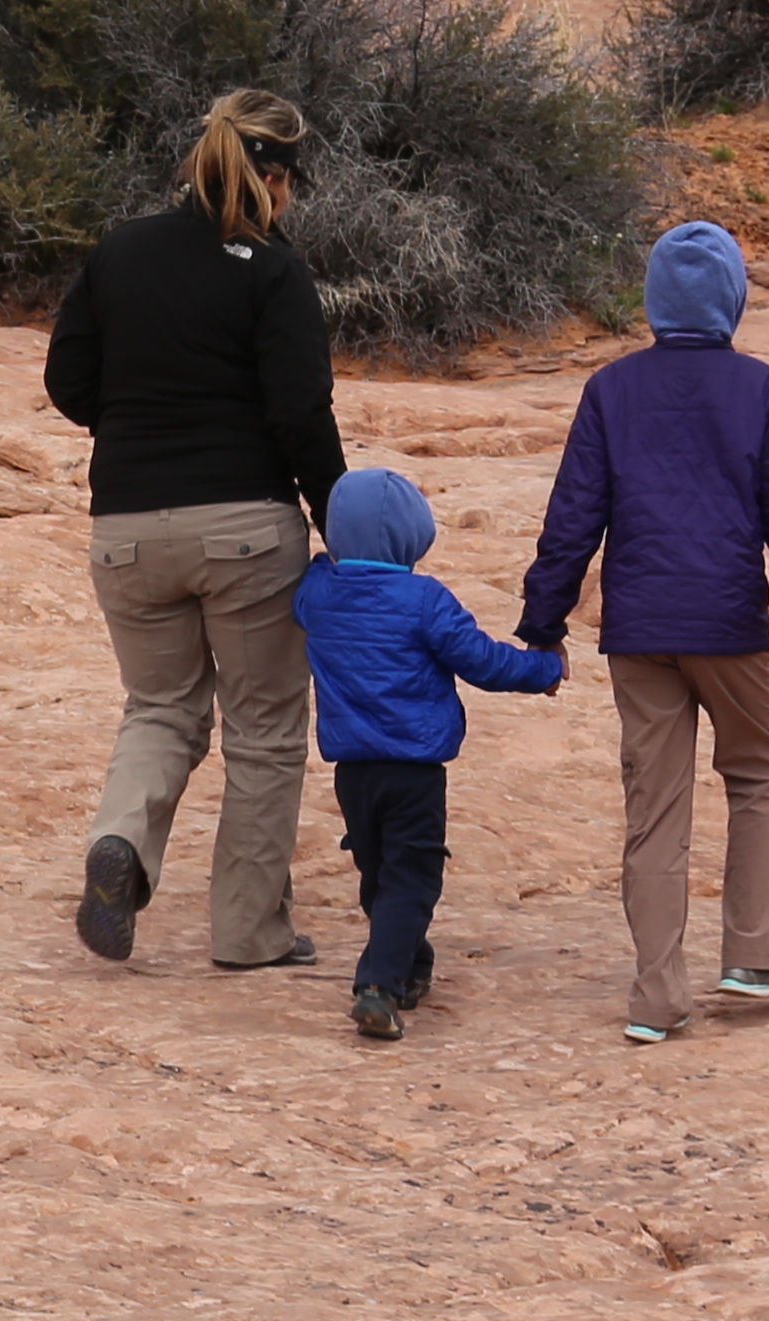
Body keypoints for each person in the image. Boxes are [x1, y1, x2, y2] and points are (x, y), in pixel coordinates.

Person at [512, 221, 769, 1045]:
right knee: (755, 773)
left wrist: (542, 628)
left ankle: (656, 999)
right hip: (729, 626)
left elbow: (571, 523)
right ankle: (755, 956)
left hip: (639, 631)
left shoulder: (610, 389)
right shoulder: (760, 390)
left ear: (654, 300)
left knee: (654, 810)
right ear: (732, 299)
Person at [45, 87, 349, 976]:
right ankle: (249, 933)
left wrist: (136, 422)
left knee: (161, 709)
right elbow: (301, 411)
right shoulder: (275, 269)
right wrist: (340, 520)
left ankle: (122, 845)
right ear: (280, 177)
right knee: (262, 730)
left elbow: (69, 381)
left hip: (127, 530)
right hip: (246, 529)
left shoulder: (121, 250)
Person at [288, 467, 565, 1046]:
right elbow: (484, 662)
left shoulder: (319, 593)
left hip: (353, 771)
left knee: (379, 871)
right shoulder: (424, 600)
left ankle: (412, 966)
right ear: (415, 537)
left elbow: (310, 579)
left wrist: (325, 556)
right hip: (413, 769)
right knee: (413, 877)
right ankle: (379, 986)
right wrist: (543, 668)